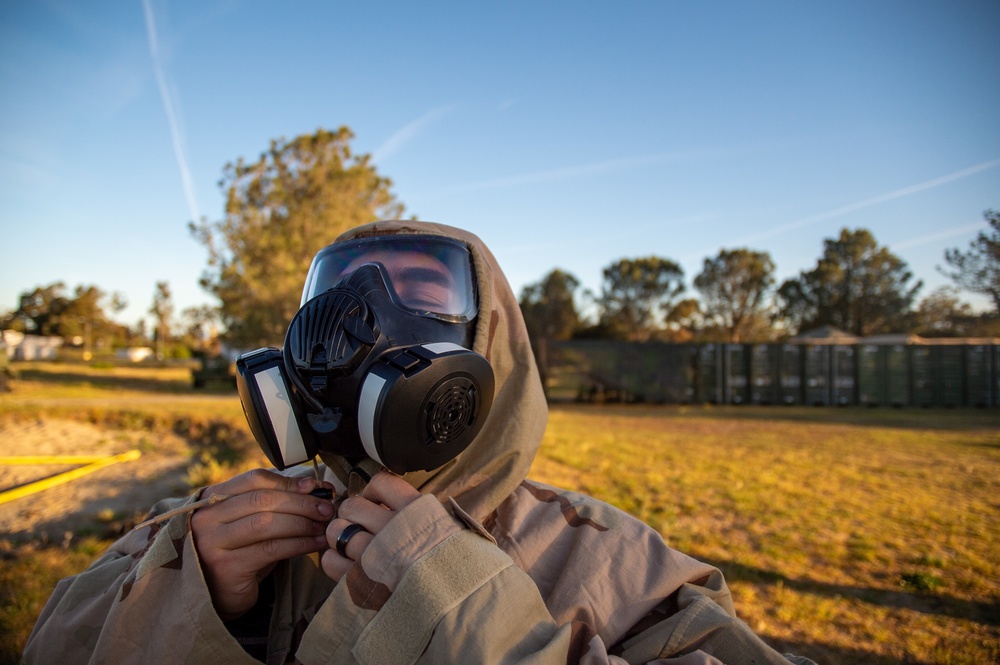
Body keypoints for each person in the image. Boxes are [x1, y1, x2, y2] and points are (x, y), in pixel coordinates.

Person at [24, 220, 815, 664]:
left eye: (422, 288)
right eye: (340, 290)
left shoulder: (606, 561)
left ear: (489, 341)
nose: (361, 313)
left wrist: (480, 622)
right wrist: (191, 592)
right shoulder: (202, 531)